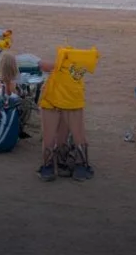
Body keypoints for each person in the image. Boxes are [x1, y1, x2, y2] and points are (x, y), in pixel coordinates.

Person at [36, 45, 99, 182]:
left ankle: (49, 167)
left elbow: (41, 64)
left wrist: (38, 62)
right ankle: (79, 165)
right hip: (72, 100)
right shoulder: (78, 70)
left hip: (52, 99)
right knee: (77, 134)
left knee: (49, 135)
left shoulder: (57, 65)